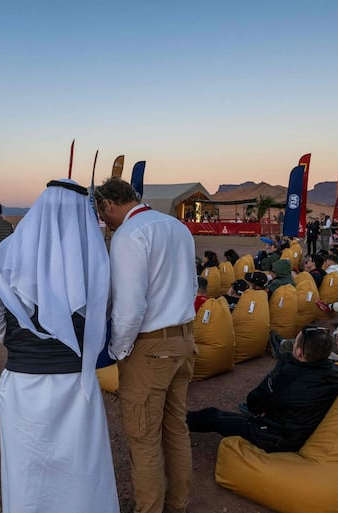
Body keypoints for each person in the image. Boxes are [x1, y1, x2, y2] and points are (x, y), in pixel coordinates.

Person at [0, 179, 119, 513]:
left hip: (24, 382)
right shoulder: (94, 259)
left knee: (28, 470)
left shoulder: (8, 253)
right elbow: (106, 312)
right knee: (80, 471)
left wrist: (16, 342)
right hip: (75, 384)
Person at [94, 177, 196, 513]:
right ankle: (177, 504)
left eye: (102, 213)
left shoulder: (129, 234)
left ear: (108, 204)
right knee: (175, 428)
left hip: (150, 347)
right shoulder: (176, 226)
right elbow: (193, 284)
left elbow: (129, 307)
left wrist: (118, 350)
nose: (103, 222)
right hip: (183, 339)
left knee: (143, 438)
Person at [187, 326, 338, 453]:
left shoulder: (289, 376)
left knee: (214, 416)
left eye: (295, 344)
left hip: (278, 436)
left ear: (298, 352)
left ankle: (179, 422)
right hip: (301, 429)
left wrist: (282, 368)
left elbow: (253, 402)